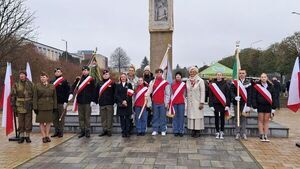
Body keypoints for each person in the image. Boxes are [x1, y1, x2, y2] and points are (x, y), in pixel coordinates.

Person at [69, 66, 97, 138]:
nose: (84, 71)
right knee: (81, 117)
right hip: (80, 101)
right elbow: (73, 86)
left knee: (87, 117)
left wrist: (93, 100)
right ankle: (82, 131)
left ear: (88, 71)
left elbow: (94, 91)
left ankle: (87, 131)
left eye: (86, 70)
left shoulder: (91, 80)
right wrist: (71, 93)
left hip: (87, 102)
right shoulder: (79, 79)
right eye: (83, 70)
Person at [33, 72, 57, 143]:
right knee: (41, 122)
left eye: (44, 77)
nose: (42, 78)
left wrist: (55, 107)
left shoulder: (52, 86)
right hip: (40, 106)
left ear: (47, 78)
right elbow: (35, 97)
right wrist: (35, 107)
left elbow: (54, 97)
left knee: (48, 122)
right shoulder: (37, 86)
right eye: (41, 77)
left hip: (50, 106)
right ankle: (43, 136)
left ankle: (47, 136)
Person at [145, 68, 170, 136]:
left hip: (162, 103)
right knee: (155, 116)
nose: (158, 73)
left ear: (162, 74)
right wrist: (146, 96)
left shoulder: (166, 83)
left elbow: (167, 94)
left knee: (162, 117)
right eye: (157, 72)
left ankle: (163, 130)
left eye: (160, 72)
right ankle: (155, 129)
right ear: (155, 74)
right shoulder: (152, 82)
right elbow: (149, 91)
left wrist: (166, 102)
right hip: (154, 102)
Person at [11, 70, 34, 143]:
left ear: (26, 75)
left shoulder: (31, 84)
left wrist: (33, 104)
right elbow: (13, 95)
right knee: (21, 121)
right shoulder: (16, 84)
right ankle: (21, 136)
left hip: (28, 105)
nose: (21, 76)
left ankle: (27, 136)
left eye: (23, 74)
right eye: (20, 74)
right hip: (19, 105)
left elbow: (34, 95)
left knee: (28, 121)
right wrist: (13, 105)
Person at [252, 73, 276, 142]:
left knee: (266, 120)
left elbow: (274, 97)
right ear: (260, 78)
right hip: (260, 105)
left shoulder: (271, 86)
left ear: (267, 78)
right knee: (260, 120)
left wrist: (274, 107)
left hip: (268, 106)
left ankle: (265, 135)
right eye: (262, 77)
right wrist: (254, 106)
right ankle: (261, 134)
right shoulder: (257, 86)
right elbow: (254, 97)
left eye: (264, 77)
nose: (263, 78)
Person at [230, 69, 252, 140]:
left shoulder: (248, 82)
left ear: (245, 74)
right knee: (237, 118)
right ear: (238, 74)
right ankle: (237, 133)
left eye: (243, 73)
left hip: (245, 104)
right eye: (240, 73)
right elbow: (231, 91)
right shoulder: (235, 82)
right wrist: (235, 97)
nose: (241, 74)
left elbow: (250, 95)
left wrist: (249, 105)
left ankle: (243, 133)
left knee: (243, 118)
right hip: (237, 102)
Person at [209, 72, 230, 139]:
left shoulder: (226, 84)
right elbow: (210, 96)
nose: (219, 76)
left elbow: (227, 95)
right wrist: (211, 105)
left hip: (223, 104)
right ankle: (217, 132)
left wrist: (227, 105)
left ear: (222, 76)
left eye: (220, 75)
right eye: (218, 75)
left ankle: (222, 131)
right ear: (216, 76)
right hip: (215, 104)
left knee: (222, 119)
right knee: (216, 118)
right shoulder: (212, 85)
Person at [50, 68, 70, 138]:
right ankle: (56, 131)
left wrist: (66, 101)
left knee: (61, 118)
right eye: (55, 71)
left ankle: (61, 132)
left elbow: (67, 92)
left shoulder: (64, 81)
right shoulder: (51, 81)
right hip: (53, 103)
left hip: (61, 103)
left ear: (61, 73)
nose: (57, 73)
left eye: (58, 71)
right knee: (54, 118)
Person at [186, 66, 205, 138]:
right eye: (191, 71)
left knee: (197, 116)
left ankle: (198, 131)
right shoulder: (188, 80)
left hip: (197, 101)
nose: (192, 73)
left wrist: (202, 102)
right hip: (190, 101)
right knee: (191, 115)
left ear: (196, 72)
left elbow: (203, 92)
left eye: (194, 71)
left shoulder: (200, 81)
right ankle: (193, 130)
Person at [97, 69, 116, 137]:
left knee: (109, 118)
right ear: (102, 75)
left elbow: (115, 93)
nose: (105, 75)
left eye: (107, 74)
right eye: (104, 74)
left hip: (109, 104)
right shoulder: (99, 83)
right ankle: (104, 130)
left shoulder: (112, 83)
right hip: (102, 103)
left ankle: (109, 130)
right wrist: (95, 101)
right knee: (103, 118)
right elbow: (96, 93)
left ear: (109, 75)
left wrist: (114, 101)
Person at [115, 73, 133, 138]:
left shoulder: (129, 85)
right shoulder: (117, 85)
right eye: (122, 77)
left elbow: (130, 94)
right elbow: (116, 95)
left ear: (126, 78)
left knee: (127, 119)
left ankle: (127, 132)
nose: (123, 78)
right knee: (122, 119)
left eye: (124, 77)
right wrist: (122, 101)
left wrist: (126, 101)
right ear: (120, 78)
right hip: (120, 104)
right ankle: (123, 131)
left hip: (127, 104)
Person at [170, 72, 186, 137]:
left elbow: (185, 93)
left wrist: (184, 99)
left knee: (181, 117)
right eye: (177, 76)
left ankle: (181, 130)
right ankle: (176, 131)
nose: (178, 76)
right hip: (174, 103)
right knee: (175, 117)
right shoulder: (172, 84)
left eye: (179, 76)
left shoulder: (183, 84)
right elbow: (171, 93)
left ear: (181, 77)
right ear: (175, 77)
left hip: (181, 103)